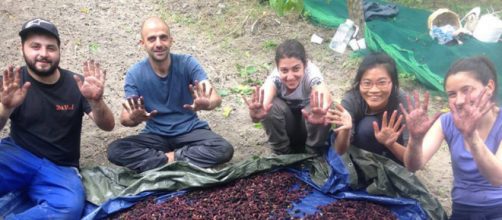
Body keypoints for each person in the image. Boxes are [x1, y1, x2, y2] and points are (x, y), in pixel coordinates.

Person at [0, 18, 115, 219]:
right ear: (22, 48)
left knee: (68, 209)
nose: (43, 54)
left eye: (50, 48)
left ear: (59, 51)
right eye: (35, 46)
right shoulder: (12, 83)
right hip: (17, 155)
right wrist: (5, 107)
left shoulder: (76, 84)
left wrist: (96, 101)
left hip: (60, 167)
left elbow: (107, 125)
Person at [107, 17, 233, 173]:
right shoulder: (135, 73)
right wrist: (134, 117)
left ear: (171, 40)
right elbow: (125, 118)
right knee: (115, 150)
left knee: (223, 148)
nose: (158, 44)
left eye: (163, 37)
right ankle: (178, 160)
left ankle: (164, 161)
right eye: (152, 39)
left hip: (190, 132)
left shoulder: (187, 63)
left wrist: (207, 104)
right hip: (155, 136)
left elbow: (215, 97)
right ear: (143, 44)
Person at [402, 56, 502, 219]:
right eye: (452, 94)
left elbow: (498, 178)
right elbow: (413, 165)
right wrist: (415, 139)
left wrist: (471, 137)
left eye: (467, 90)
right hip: (462, 209)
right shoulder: (447, 121)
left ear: (489, 87)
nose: (460, 101)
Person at [243, 39, 332, 155]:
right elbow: (264, 100)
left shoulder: (312, 74)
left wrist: (322, 111)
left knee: (320, 107)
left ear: (305, 65)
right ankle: (282, 154)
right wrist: (255, 115)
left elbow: (323, 93)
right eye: (284, 70)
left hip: (309, 127)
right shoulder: (275, 78)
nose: (290, 77)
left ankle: (313, 153)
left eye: (296, 69)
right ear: (278, 68)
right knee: (269, 107)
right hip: (286, 128)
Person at [326, 52, 408, 164]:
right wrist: (346, 130)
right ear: (359, 83)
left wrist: (391, 144)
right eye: (367, 83)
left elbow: (414, 162)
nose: (374, 90)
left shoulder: (403, 102)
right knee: (367, 127)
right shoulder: (351, 100)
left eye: (382, 82)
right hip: (361, 154)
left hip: (395, 156)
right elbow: (339, 151)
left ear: (392, 83)